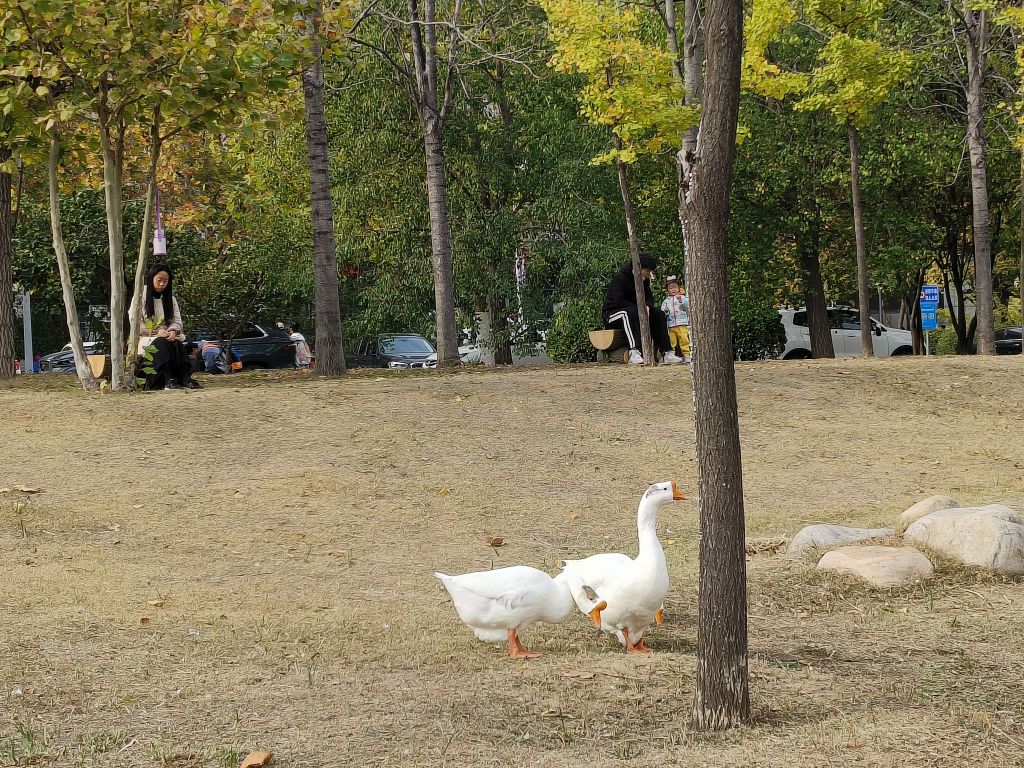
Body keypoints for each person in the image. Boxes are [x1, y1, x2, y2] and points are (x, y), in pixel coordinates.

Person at [602, 253, 684, 365]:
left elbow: (649, 297)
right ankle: (634, 351)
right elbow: (619, 301)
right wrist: (640, 309)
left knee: (658, 314)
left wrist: (648, 307)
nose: (649, 274)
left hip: (636, 311)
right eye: (648, 270)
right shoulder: (620, 278)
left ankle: (667, 352)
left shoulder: (644, 280)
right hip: (613, 313)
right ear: (640, 268)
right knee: (629, 313)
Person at [137, 264, 200, 390]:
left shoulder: (171, 299)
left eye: (165, 281)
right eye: (159, 280)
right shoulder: (139, 297)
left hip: (167, 336)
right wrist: (156, 331)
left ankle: (184, 377)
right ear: (152, 279)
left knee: (176, 343)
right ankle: (168, 379)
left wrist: (172, 331)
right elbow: (136, 325)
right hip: (147, 338)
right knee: (161, 343)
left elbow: (177, 321)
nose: (162, 284)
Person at [661, 275, 691, 363]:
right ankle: (671, 355)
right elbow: (663, 311)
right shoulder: (666, 301)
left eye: (675, 287)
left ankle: (686, 355)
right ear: (667, 290)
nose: (673, 289)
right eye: (671, 288)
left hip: (682, 323)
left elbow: (687, 307)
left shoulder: (683, 298)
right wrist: (665, 312)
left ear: (678, 288)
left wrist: (681, 301)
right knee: (671, 341)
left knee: (684, 339)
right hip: (671, 324)